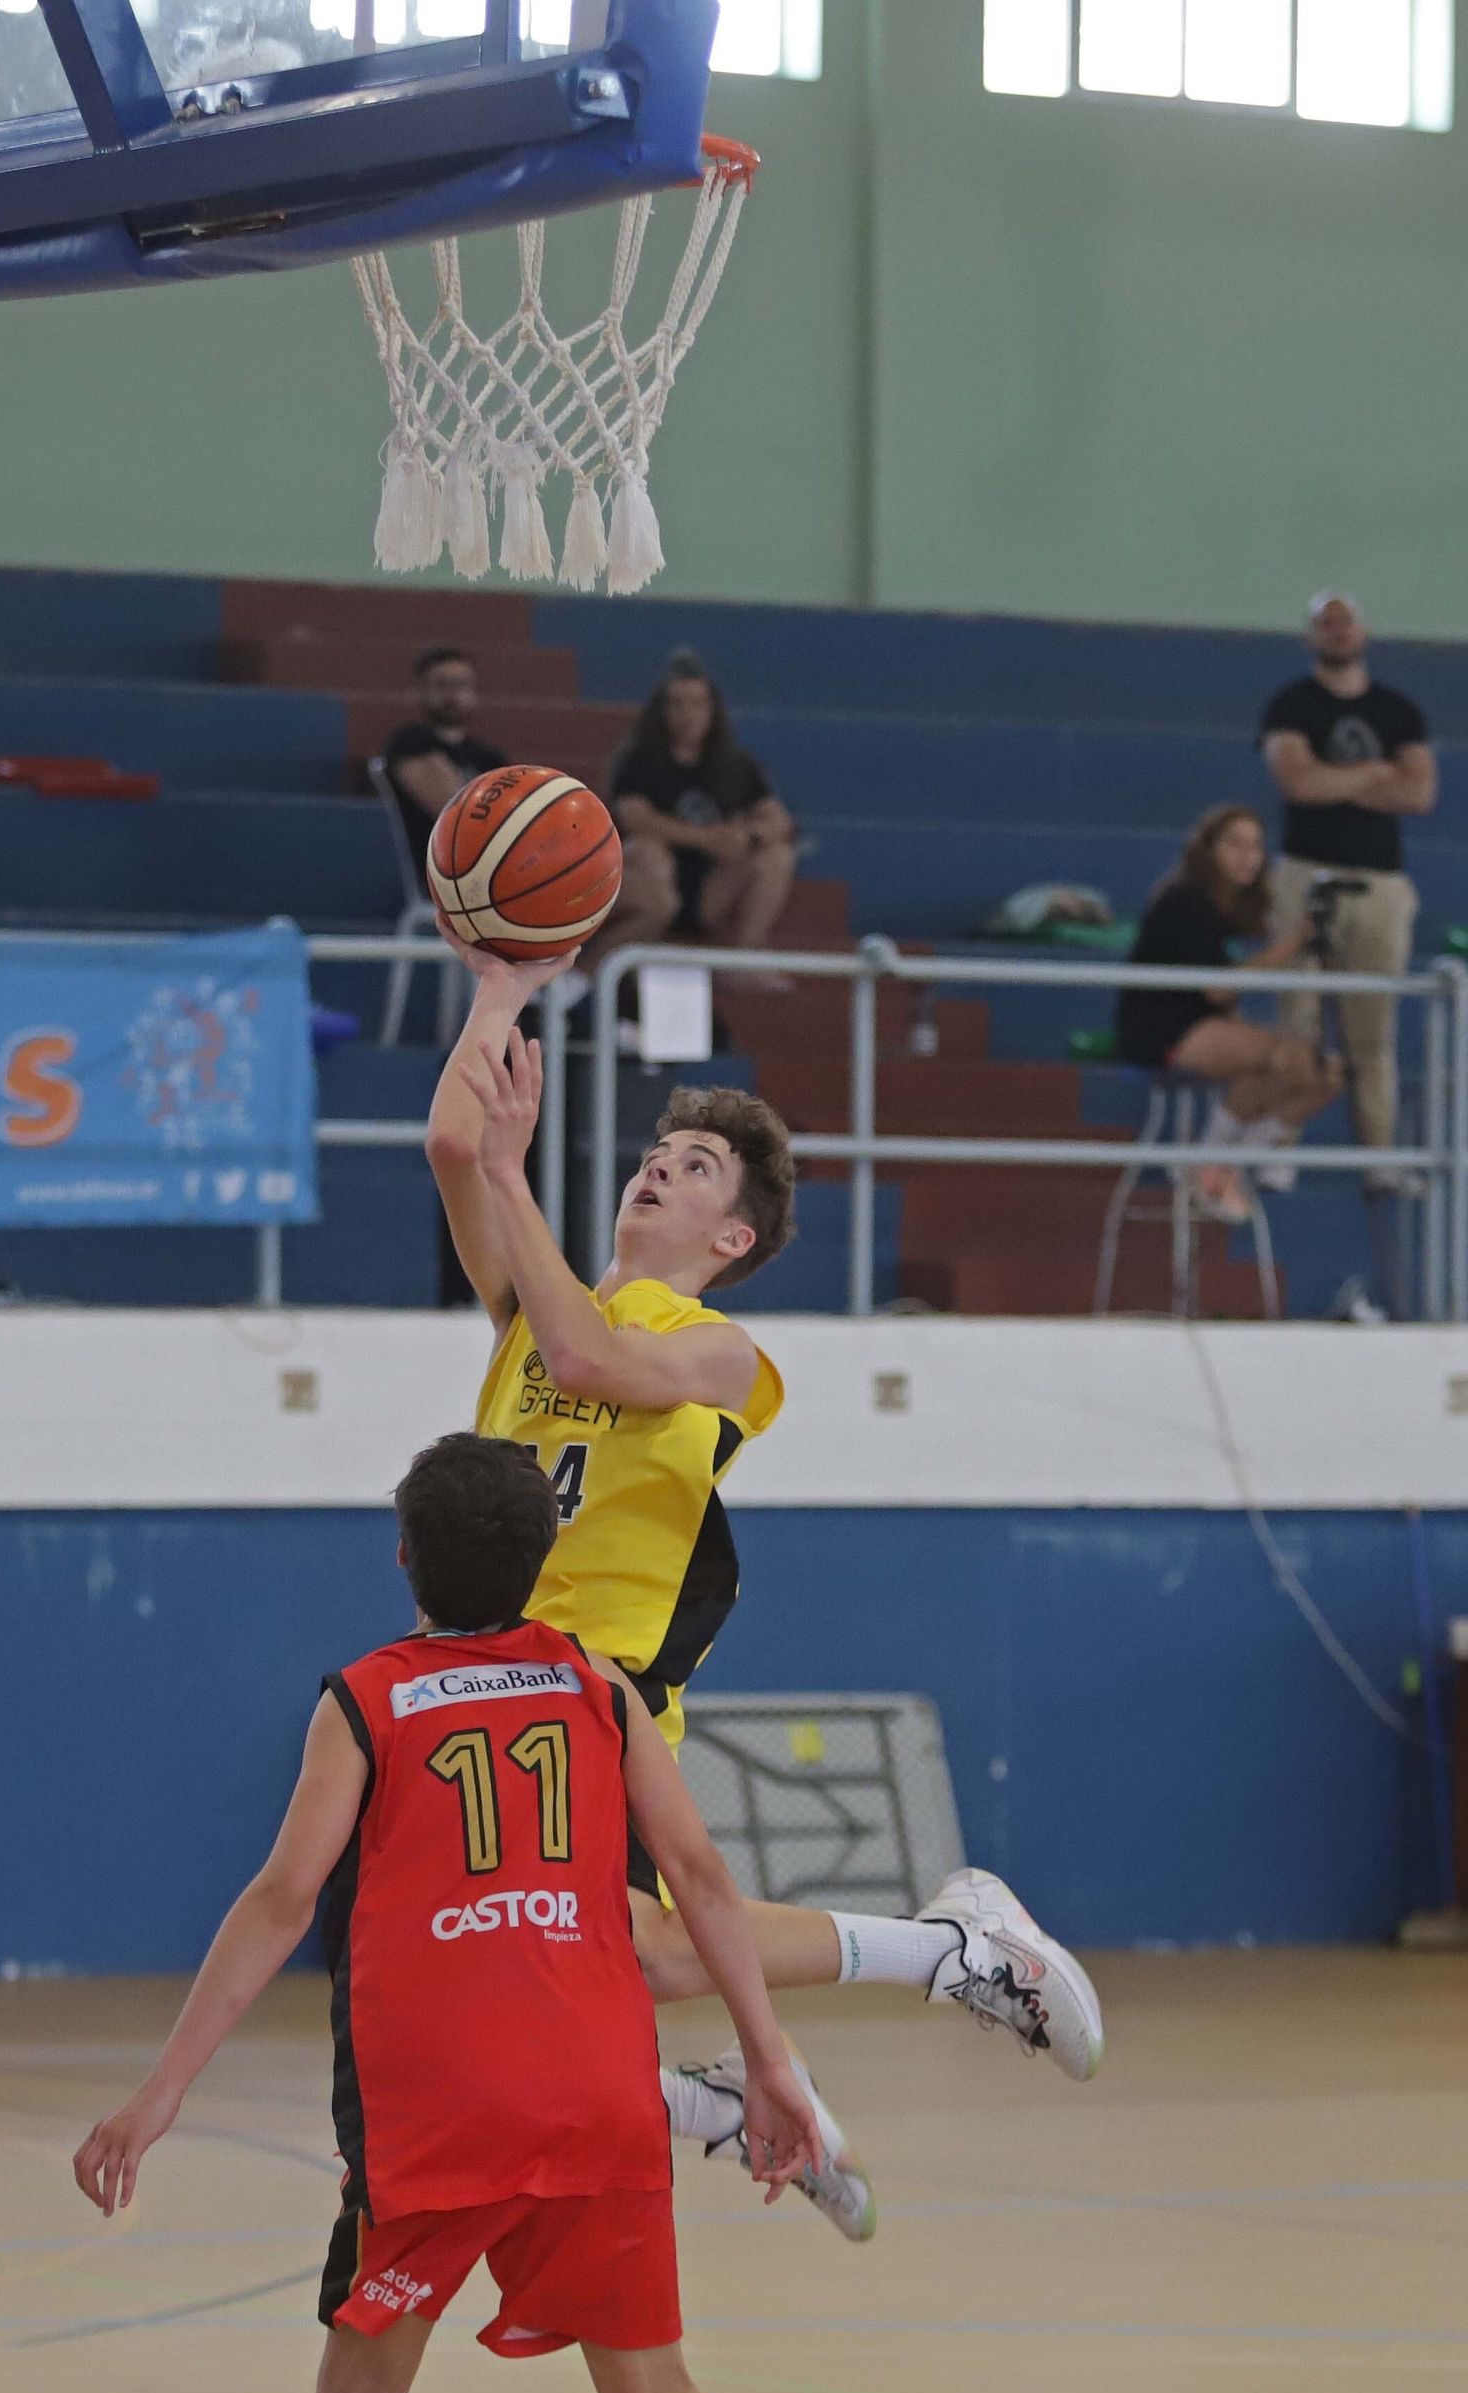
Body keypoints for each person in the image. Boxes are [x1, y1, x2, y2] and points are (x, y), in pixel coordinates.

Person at [72, 1433, 939, 2393]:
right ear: (547, 1561)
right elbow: (704, 1880)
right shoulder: (596, 1686)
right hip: (598, 2094)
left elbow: (284, 1897)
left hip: (438, 2110)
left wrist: (161, 2089)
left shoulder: (365, 1698)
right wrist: (772, 2065)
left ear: (404, 1554)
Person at [425, 943, 1105, 2238]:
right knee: (530, 1987)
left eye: (693, 1168)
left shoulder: (723, 1353)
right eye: (657, 1151)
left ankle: (943, 1953)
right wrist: (499, 994)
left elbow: (584, 1343)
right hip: (497, 1687)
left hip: (595, 1691)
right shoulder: (535, 1305)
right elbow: (456, 1152)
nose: (657, 1167)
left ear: (732, 1237)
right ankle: (754, 2080)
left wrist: (515, 1173)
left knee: (608, 1965)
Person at [1259, 594, 1437, 1184]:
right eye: (1325, 624)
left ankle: (1378, 1159)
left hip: (1379, 886)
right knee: (1298, 1018)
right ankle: (1280, 1147)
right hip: (1305, 875)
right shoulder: (1290, 705)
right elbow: (1297, 783)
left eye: (1346, 622)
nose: (1337, 633)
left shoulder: (1397, 711)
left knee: (1372, 1029)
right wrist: (1375, 773)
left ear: (1364, 631)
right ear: (1310, 637)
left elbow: (1418, 794)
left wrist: (1334, 780)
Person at [1116, 805, 1341, 1219]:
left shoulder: (1228, 911)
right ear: (1208, 850)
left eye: (1255, 845)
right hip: (1161, 1029)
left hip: (1205, 1024)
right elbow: (1217, 988)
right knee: (1282, 1056)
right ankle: (1208, 1164)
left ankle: (1226, 1166)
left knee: (1324, 1075)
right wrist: (1292, 944)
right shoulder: (1185, 902)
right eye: (1234, 843)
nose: (1247, 855)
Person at [590, 649, 797, 958]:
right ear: (662, 710)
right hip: (654, 878)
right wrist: (707, 838)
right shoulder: (638, 760)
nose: (689, 714)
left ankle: (746, 954)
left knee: (777, 856)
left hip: (712, 885)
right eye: (678, 704)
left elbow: (779, 820)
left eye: (698, 704)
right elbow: (635, 819)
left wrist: (747, 836)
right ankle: (597, 970)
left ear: (713, 710)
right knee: (646, 849)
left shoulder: (737, 765)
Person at [381, 647, 509, 888]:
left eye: (461, 685)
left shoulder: (489, 757)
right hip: (438, 871)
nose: (452, 694)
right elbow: (458, 814)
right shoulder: (410, 742)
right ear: (421, 691)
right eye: (441, 684)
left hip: (489, 870)